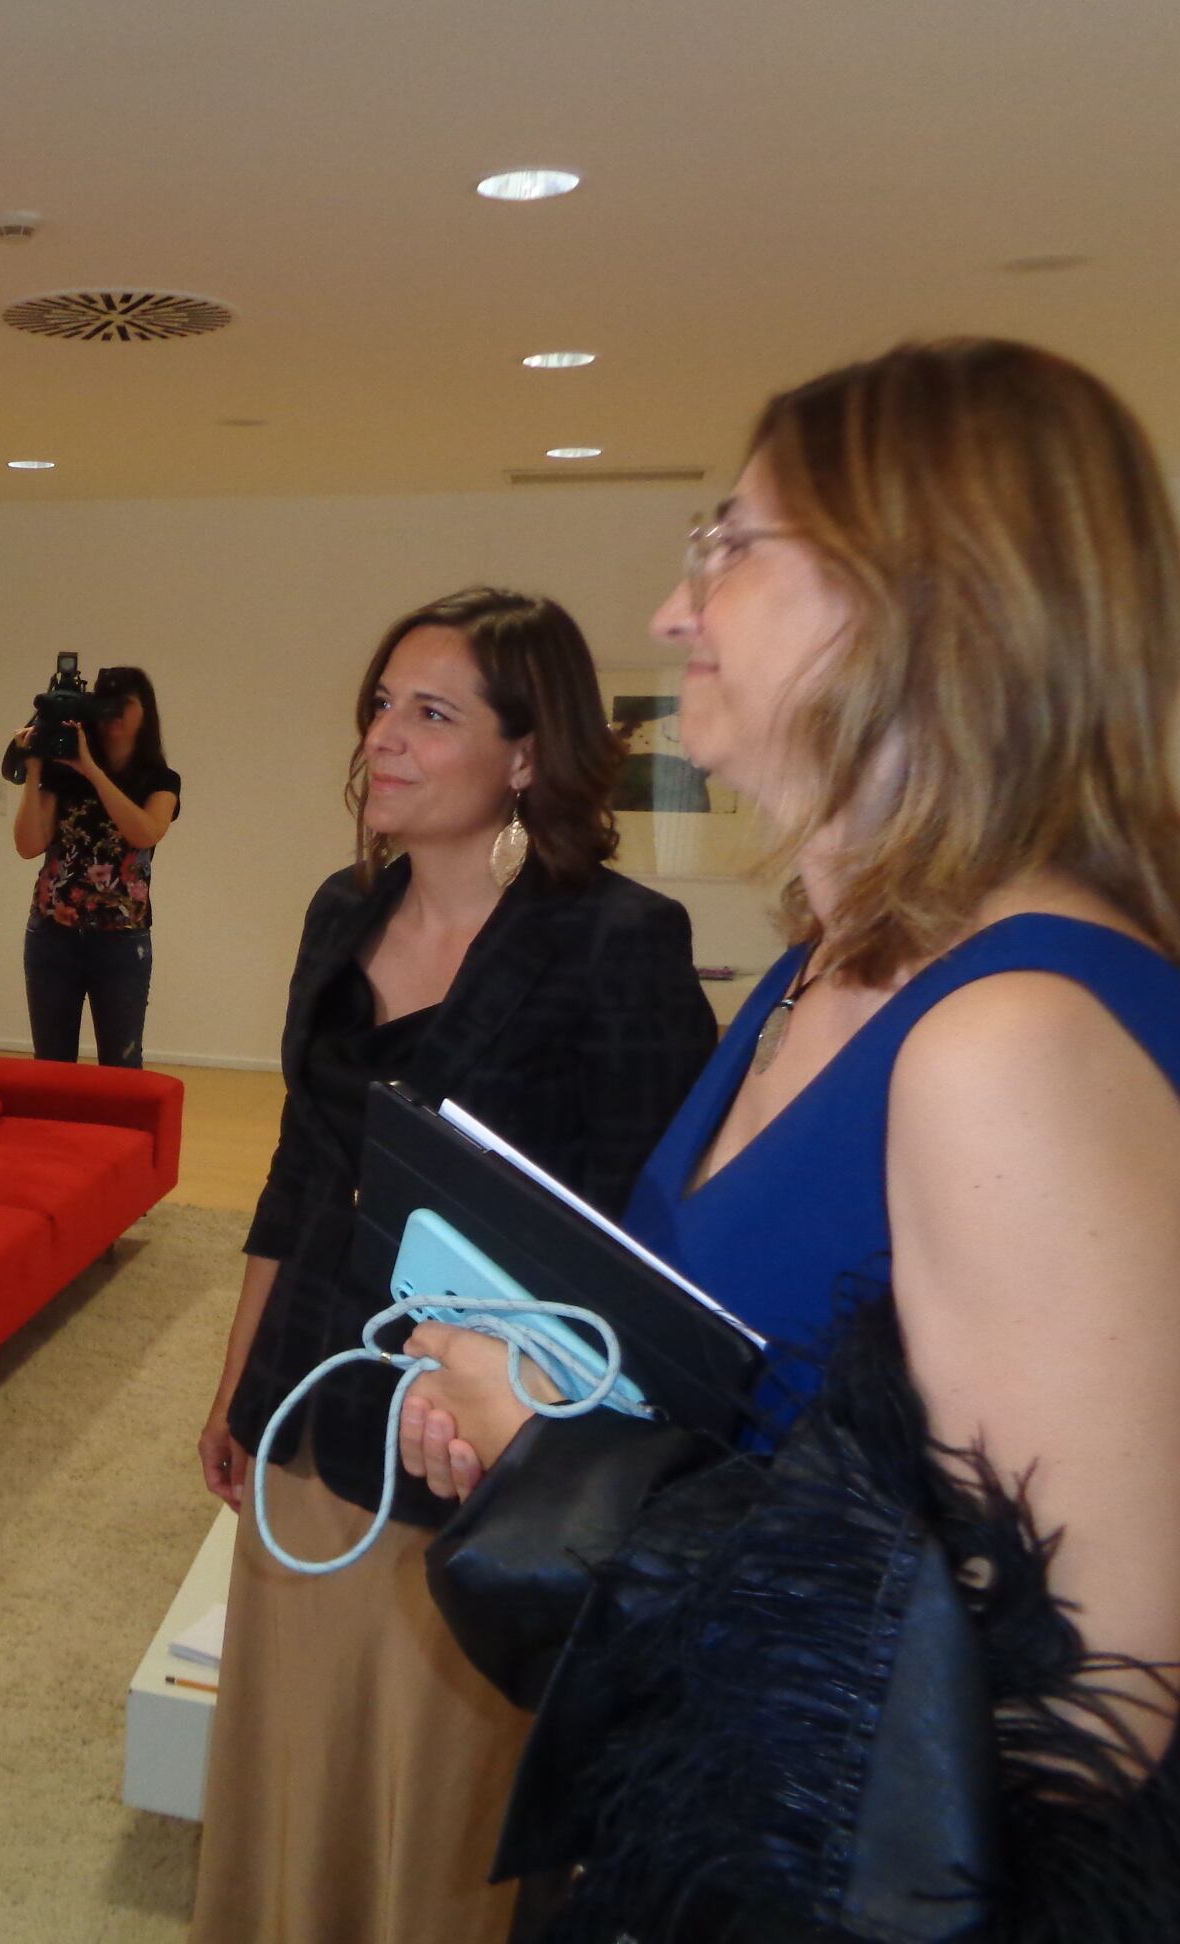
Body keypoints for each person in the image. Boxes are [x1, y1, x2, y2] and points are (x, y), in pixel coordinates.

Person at [405, 340, 1180, 1939]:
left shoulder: (1011, 1040)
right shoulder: (826, 963)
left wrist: (566, 1469)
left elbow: (1085, 1717)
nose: (674, 613)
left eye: (729, 547)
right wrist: (535, 1394)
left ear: (925, 600)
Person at [189, 588, 717, 1944]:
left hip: (469, 1457)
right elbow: (299, 1178)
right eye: (379, 706)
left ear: (527, 757)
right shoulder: (339, 912)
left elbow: (637, 1249)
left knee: (433, 1809)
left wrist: (524, 1413)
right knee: (293, 1759)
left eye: (433, 714)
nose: (385, 740)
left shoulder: (617, 942)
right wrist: (239, 1386)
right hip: (314, 1406)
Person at [10, 665, 180, 1066]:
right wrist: (36, 767)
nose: (116, 713)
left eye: (127, 704)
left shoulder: (159, 780)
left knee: (121, 1063)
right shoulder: (63, 775)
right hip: (52, 934)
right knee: (51, 1061)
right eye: (107, 704)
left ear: (147, 713)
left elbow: (145, 832)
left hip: (120, 940)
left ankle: (118, 1132)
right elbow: (28, 844)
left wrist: (92, 770)